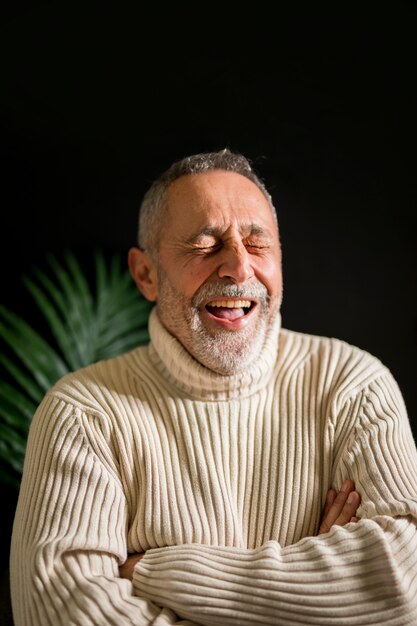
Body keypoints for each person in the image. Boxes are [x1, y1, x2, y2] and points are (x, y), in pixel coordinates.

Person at [10, 148, 417, 625]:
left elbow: (404, 586)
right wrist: (321, 598)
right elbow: (56, 615)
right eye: (205, 244)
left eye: (257, 243)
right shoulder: (84, 413)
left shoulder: (351, 385)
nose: (240, 269)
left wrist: (156, 571)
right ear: (146, 275)